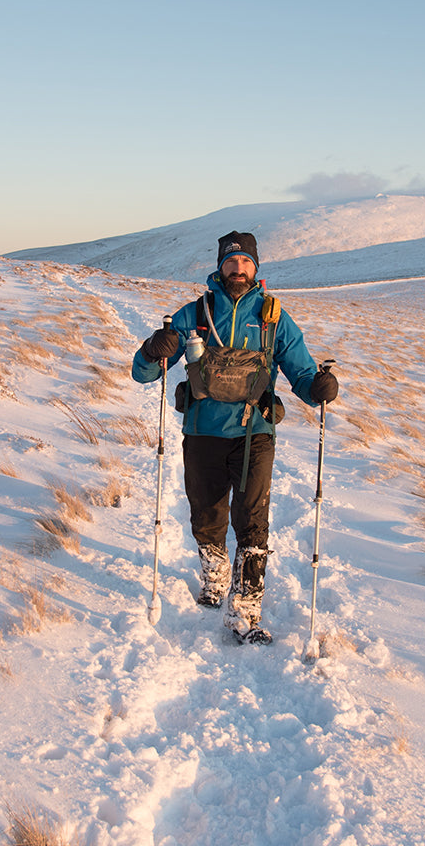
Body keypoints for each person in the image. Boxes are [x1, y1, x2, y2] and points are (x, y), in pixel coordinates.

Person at [132, 231, 339, 644]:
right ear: (220, 266)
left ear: (256, 269)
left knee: (252, 520)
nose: (238, 269)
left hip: (253, 433)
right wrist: (153, 349)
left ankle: (245, 610)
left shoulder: (273, 317)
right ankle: (214, 574)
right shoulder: (195, 313)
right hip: (202, 431)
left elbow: (299, 370)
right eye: (231, 262)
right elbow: (144, 374)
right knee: (207, 515)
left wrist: (316, 388)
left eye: (246, 262)